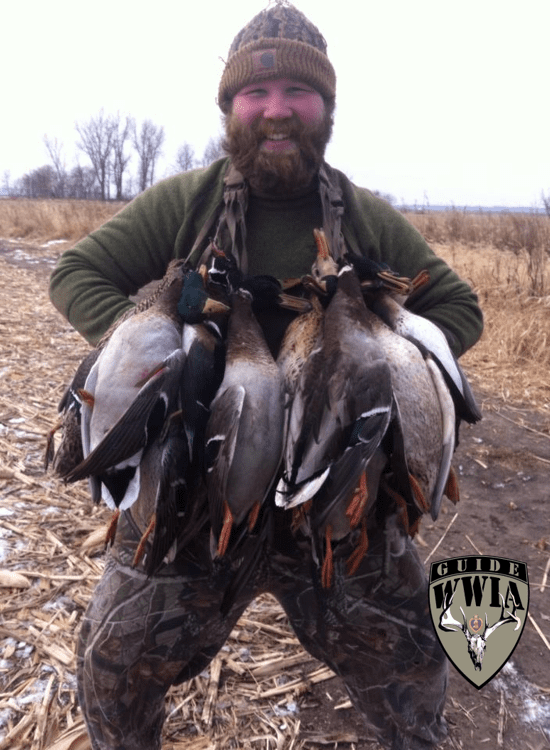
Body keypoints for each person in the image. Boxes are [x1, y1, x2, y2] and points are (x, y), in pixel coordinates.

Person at [49, 3, 483, 749]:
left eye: (297, 94)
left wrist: (381, 357)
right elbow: (78, 272)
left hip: (338, 499)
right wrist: (149, 353)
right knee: (114, 665)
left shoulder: (366, 216)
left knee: (410, 665)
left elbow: (456, 307)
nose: (276, 111)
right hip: (197, 492)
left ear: (325, 108)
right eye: (257, 93)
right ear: (231, 108)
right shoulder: (185, 203)